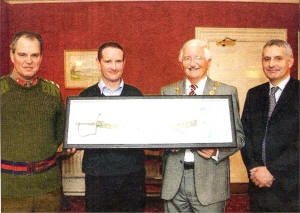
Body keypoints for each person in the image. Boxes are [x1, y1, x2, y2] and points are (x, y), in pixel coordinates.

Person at [160, 39, 245, 212]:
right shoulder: (167, 91)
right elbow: (160, 131)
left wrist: (216, 151)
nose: (192, 64)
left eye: (197, 58)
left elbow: (239, 137)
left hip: (210, 182)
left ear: (209, 61)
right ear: (181, 63)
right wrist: (166, 142)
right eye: (187, 59)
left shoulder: (226, 92)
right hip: (174, 182)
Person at [1, 31, 68, 212]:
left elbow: (61, 136)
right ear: (12, 55)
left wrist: (71, 144)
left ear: (41, 57)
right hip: (8, 191)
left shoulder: (53, 92)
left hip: (48, 188)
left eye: (34, 55)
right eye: (22, 54)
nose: (28, 61)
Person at [79, 42, 145, 212]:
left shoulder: (136, 95)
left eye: (118, 61)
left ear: (124, 63)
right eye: (108, 61)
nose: (114, 67)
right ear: (98, 62)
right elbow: (81, 132)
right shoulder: (85, 97)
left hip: (132, 174)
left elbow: (144, 132)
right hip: (97, 176)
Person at [241, 39, 299, 212]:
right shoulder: (254, 94)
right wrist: (254, 169)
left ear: (290, 61)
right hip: (258, 185)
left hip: (292, 188)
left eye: (278, 58)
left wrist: (272, 171)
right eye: (266, 59)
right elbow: (244, 135)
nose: (271, 64)